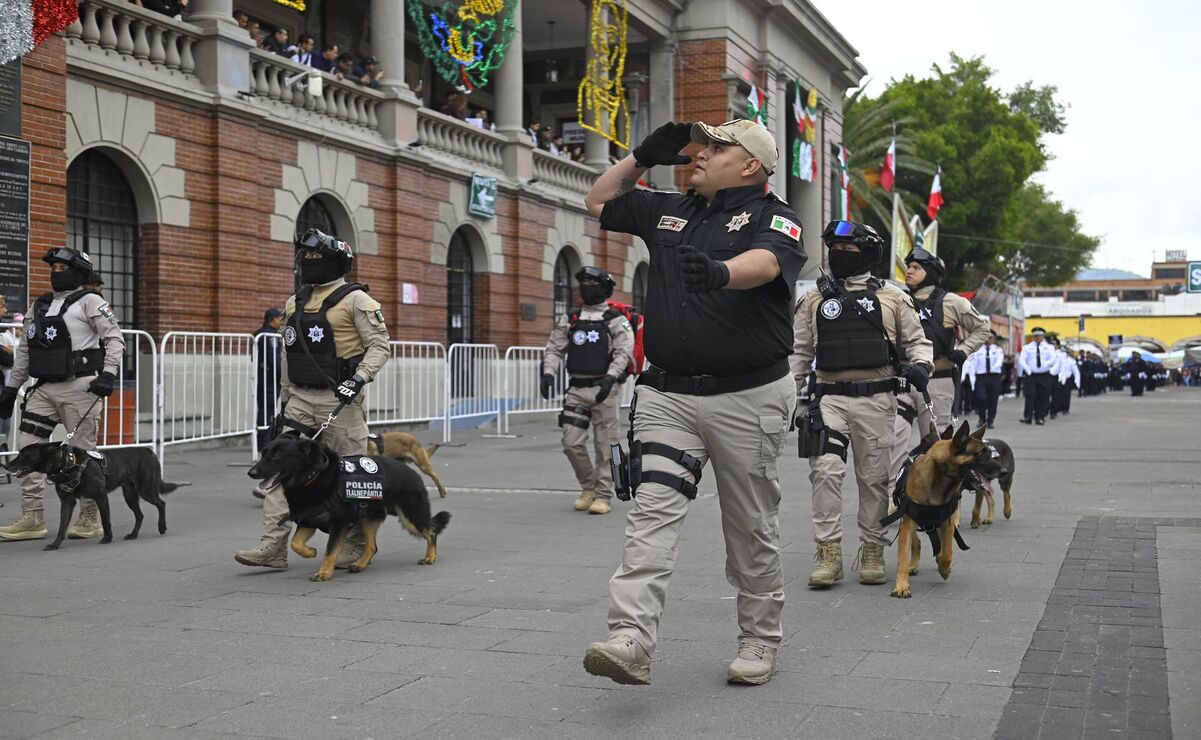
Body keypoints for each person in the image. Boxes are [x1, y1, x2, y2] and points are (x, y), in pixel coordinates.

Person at [580, 118, 805, 686]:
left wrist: (721, 272)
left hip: (749, 397)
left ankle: (759, 639)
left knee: (750, 527)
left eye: (717, 146)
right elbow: (599, 200)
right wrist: (640, 158)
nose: (700, 152)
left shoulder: (774, 215)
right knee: (650, 514)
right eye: (698, 144)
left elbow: (769, 263)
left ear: (750, 164)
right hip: (667, 396)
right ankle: (630, 638)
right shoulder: (669, 209)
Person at [234, 229, 390, 570]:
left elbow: (380, 346)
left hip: (340, 401)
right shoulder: (296, 300)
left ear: (337, 262)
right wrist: (285, 396)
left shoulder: (358, 300)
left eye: (317, 258)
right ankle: (272, 547)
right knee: (280, 467)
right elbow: (290, 352)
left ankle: (355, 543)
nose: (309, 263)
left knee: (351, 474)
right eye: (306, 257)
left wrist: (358, 379)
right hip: (300, 399)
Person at [795, 221, 933, 591]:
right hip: (829, 399)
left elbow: (917, 342)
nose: (837, 256)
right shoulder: (814, 300)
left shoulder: (893, 297)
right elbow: (800, 353)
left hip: (877, 398)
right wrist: (789, 400)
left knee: (874, 479)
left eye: (848, 250)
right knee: (824, 471)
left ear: (868, 254)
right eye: (833, 248)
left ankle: (872, 548)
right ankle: (829, 554)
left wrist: (921, 365)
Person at [0, 249, 125, 542]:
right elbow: (25, 352)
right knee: (29, 448)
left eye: (62, 267)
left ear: (79, 273)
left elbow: (114, 339)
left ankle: (89, 516)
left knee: (82, 453)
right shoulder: (39, 305)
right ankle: (33, 518)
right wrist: (10, 389)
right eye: (53, 267)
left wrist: (108, 374)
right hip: (43, 388)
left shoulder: (92, 302)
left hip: (81, 387)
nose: (56, 271)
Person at [540, 267, 633, 516]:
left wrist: (610, 378)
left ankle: (604, 494)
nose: (587, 287)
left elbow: (624, 351)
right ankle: (588, 487)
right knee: (571, 442)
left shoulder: (615, 319)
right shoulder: (570, 318)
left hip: (606, 390)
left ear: (605, 287)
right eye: (584, 282)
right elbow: (555, 347)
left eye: (593, 283)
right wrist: (548, 372)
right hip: (576, 390)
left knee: (606, 446)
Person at [253, 307, 284, 455]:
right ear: (272, 319)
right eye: (279, 318)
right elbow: (275, 359)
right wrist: (282, 375)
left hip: (262, 376)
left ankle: (263, 440)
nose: (281, 321)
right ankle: (264, 441)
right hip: (269, 378)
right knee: (267, 408)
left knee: (265, 408)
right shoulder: (269, 336)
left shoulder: (259, 334)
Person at [1017, 327, 1057, 424]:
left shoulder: (1049, 347)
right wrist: (1027, 370)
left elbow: (1053, 358)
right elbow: (1022, 359)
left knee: (1043, 397)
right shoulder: (1027, 347)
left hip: (1044, 375)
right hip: (1031, 375)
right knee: (1030, 395)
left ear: (1043, 336)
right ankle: (1028, 417)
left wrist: (1046, 364)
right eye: (1035, 336)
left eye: (1039, 335)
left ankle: (1040, 417)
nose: (1037, 337)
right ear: (1033, 336)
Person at [965, 331, 1005, 429]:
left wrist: (993, 368)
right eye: (986, 338)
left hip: (994, 376)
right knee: (981, 398)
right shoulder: (977, 351)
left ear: (994, 339)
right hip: (981, 377)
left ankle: (990, 420)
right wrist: (973, 382)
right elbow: (973, 366)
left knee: (993, 399)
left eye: (990, 338)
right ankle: (982, 418)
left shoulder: (998, 350)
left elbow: (999, 361)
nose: (988, 340)